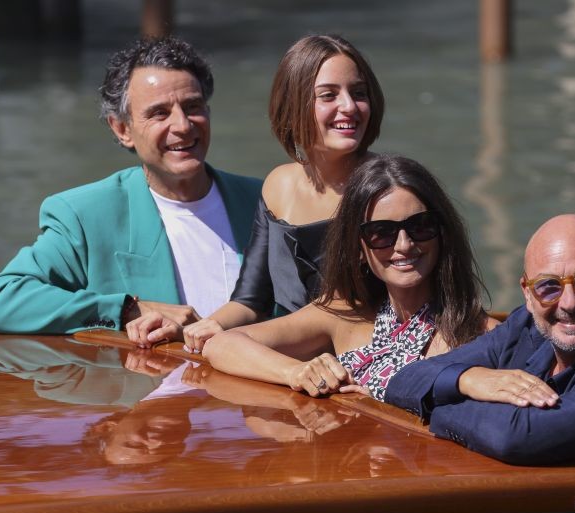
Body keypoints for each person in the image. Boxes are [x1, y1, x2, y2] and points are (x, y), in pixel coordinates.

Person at [0, 37, 261, 334]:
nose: (183, 125)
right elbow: (0, 301)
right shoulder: (86, 215)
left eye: (193, 106)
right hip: (151, 379)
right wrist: (127, 309)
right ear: (122, 129)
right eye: (159, 113)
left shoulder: (265, 201)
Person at [126, 34, 384, 350]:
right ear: (294, 105)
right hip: (290, 368)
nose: (349, 107)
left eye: (359, 93)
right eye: (328, 95)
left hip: (368, 368)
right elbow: (251, 300)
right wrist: (200, 328)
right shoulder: (277, 186)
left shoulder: (390, 190)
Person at [384, 214, 575, 465]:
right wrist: (469, 380)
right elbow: (404, 380)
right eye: (548, 287)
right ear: (527, 294)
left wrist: (435, 406)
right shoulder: (525, 329)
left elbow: (515, 437)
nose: (568, 303)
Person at [203, 154, 497, 401]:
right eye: (381, 233)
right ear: (358, 247)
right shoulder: (344, 313)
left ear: (443, 233)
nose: (404, 244)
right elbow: (223, 344)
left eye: (420, 226)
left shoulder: (481, 334)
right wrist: (295, 372)